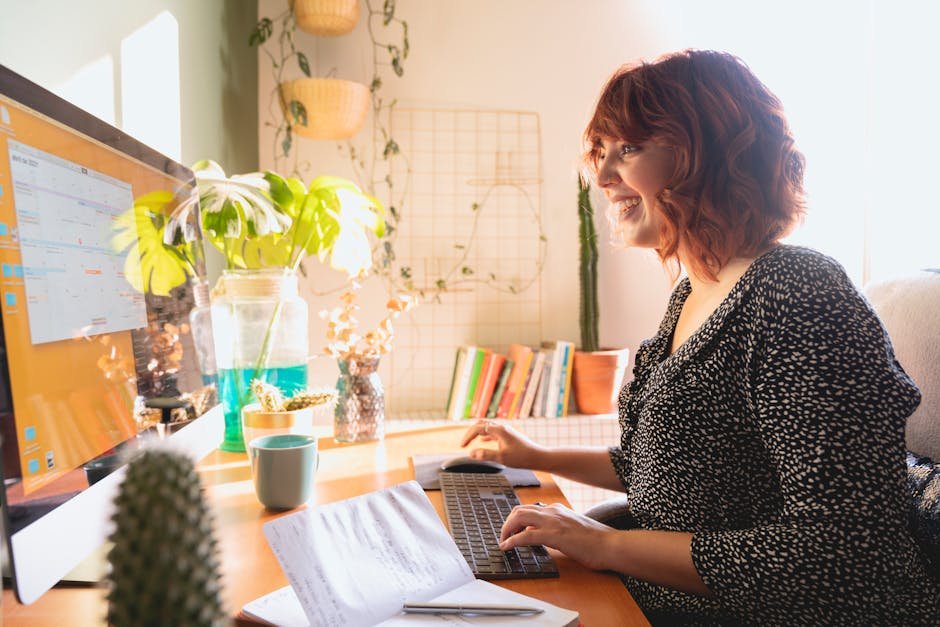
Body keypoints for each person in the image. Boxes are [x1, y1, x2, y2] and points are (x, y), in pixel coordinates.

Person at [460, 49, 940, 624]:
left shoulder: (798, 294)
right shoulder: (695, 291)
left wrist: (606, 544)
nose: (604, 175)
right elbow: (674, 467)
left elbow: (841, 555)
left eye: (629, 148)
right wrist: (534, 456)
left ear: (706, 154)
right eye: (601, 152)